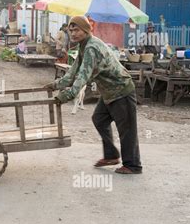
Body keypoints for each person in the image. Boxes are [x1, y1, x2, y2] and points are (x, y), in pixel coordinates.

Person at [45, 16, 142, 175]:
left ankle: (133, 165)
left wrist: (65, 96)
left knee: (127, 129)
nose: (73, 34)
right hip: (109, 92)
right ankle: (111, 155)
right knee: (99, 119)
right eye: (71, 30)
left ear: (86, 30)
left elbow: (82, 77)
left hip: (121, 90)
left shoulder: (91, 48)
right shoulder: (84, 46)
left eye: (77, 30)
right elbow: (72, 73)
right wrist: (55, 85)